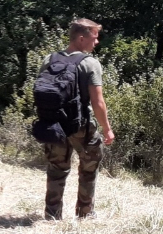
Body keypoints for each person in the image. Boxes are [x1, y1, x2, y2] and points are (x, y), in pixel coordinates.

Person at [36, 18, 116, 220]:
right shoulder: (90, 63)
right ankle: (85, 214)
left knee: (56, 170)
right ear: (81, 38)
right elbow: (98, 102)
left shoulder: (49, 59)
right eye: (94, 38)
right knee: (89, 168)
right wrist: (107, 129)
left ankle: (52, 216)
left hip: (54, 125)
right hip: (80, 126)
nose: (96, 42)